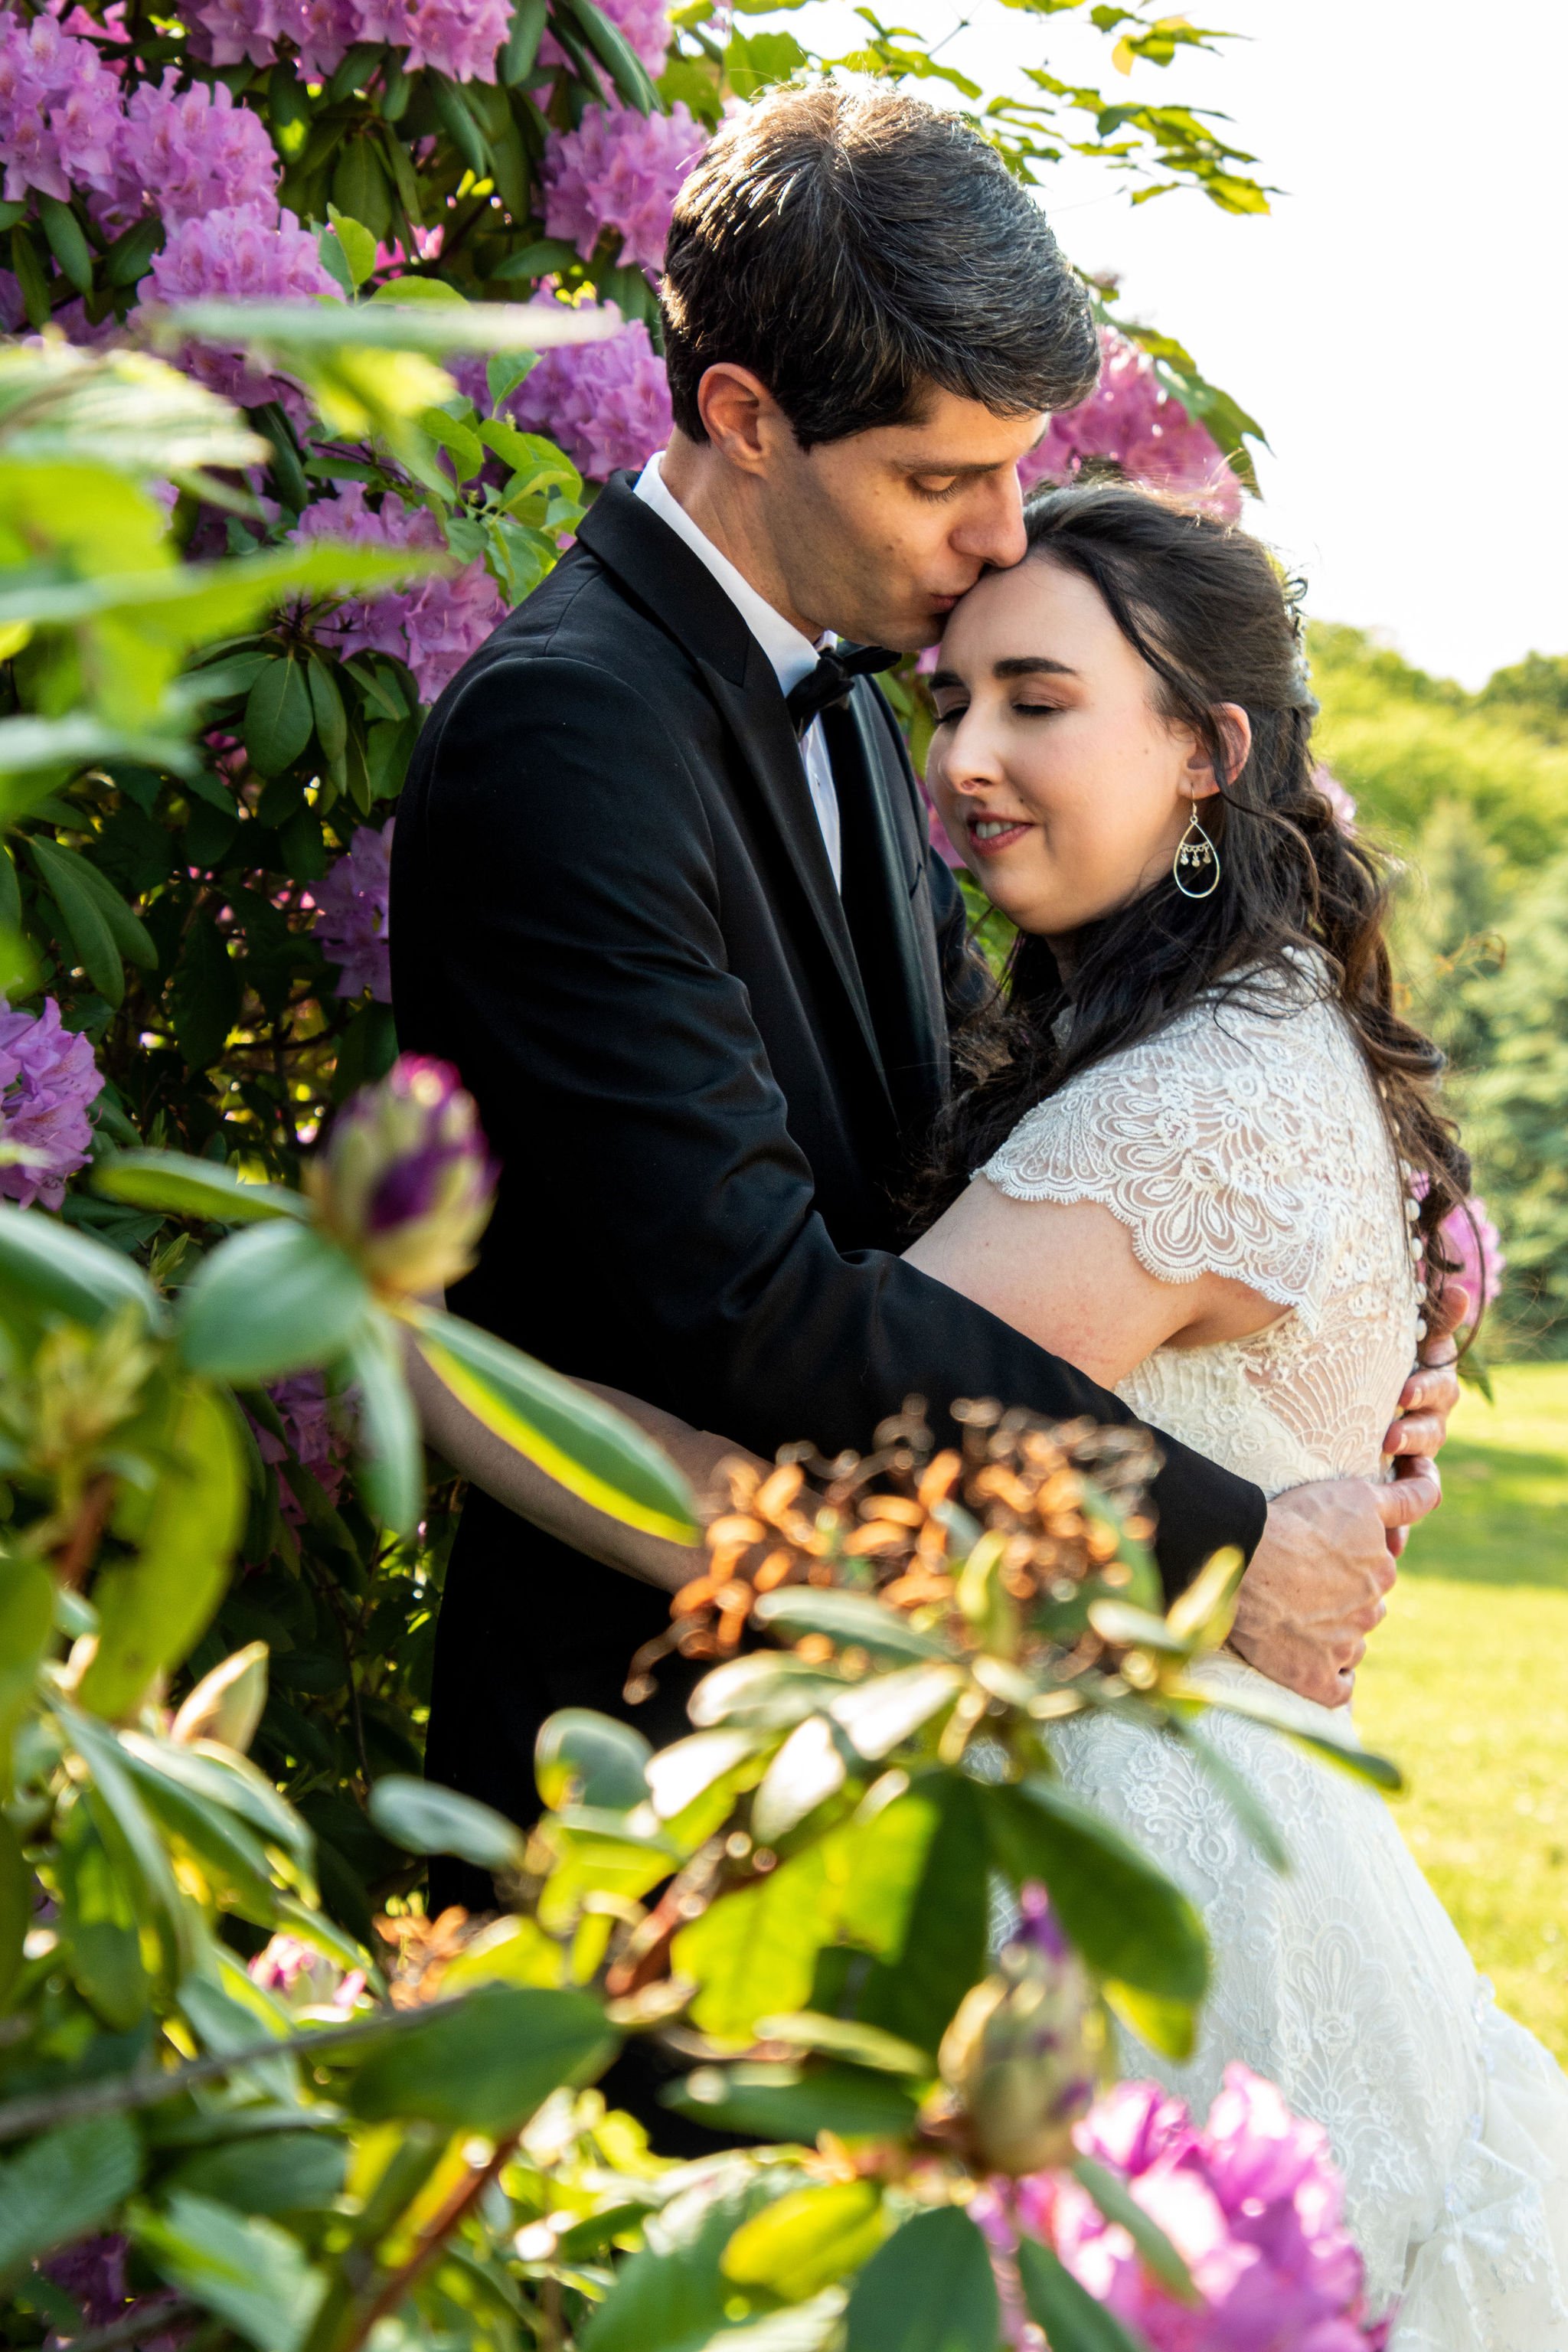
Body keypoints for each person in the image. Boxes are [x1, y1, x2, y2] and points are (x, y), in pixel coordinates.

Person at [390, 83, 1456, 1906]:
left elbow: (952, 1143)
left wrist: (1320, 1311)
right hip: (649, 1793)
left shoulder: (860, 707)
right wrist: (1224, 1536)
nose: (993, 536)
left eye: (1014, 467)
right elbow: (758, 1311)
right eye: (941, 478)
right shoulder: (571, 735)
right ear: (742, 413)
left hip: (872, 1766)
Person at [903, 479, 1568, 2335]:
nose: (967, 756)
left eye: (1038, 700)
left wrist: (472, 1394)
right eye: (950, 701)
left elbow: (847, 1437)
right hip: (1248, 1858)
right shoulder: (1274, 1031)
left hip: (1142, 1911)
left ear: (1207, 749)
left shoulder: (1178, 1111)